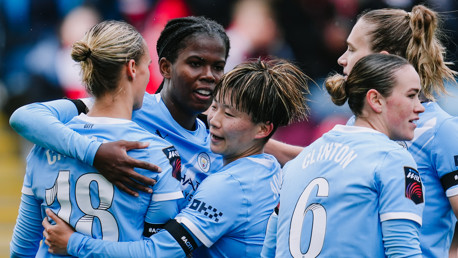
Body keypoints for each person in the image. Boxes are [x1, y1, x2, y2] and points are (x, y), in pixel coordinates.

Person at [42, 58, 310, 257]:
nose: (214, 121)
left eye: (229, 115)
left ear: (263, 129)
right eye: (214, 107)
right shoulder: (270, 167)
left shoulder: (229, 185)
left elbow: (159, 253)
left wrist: (73, 243)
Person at [9, 16, 231, 204]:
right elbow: (24, 117)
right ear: (165, 67)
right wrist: (95, 153)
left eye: (218, 67)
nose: (209, 75)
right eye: (195, 63)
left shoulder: (217, 142)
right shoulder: (132, 107)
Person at [9, 20, 183, 257]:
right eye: (148, 65)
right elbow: (161, 252)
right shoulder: (157, 154)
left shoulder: (44, 145)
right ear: (132, 68)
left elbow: (22, 248)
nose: (148, 75)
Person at [271, 53, 425, 257]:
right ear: (376, 100)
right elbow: (404, 254)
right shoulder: (393, 159)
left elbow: (269, 251)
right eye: (411, 95)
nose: (420, 107)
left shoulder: (297, 163)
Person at [336, 5, 458, 257]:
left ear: (381, 58)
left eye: (352, 49)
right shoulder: (357, 125)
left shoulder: (442, 131)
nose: (342, 59)